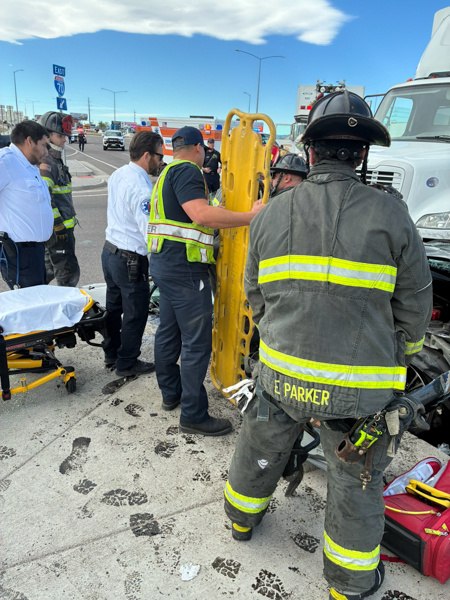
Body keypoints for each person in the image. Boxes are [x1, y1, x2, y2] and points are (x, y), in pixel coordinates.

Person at [223, 92, 433, 600]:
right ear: (361, 155)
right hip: (358, 397)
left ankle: (241, 521)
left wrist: (282, 339)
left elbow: (256, 294)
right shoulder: (392, 215)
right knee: (356, 483)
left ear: (311, 151)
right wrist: (401, 354)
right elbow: (415, 308)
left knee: (259, 447)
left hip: (280, 377)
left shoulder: (271, 214)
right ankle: (348, 584)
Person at [148, 126, 265, 436]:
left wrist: (217, 211)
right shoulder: (189, 170)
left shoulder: (167, 171)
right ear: (199, 148)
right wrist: (250, 216)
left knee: (168, 333)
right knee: (197, 344)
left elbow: (188, 216)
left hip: (165, 265)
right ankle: (193, 414)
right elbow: (201, 215)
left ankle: (171, 394)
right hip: (185, 271)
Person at [102, 130, 164, 376]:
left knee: (113, 308)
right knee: (135, 313)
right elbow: (150, 233)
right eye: (159, 156)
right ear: (147, 155)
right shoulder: (141, 188)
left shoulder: (118, 174)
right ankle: (127, 363)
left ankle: (111, 353)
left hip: (110, 252)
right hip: (129, 260)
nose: (161, 161)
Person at [0, 120, 53, 289]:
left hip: (34, 251)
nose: (46, 151)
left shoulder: (28, 166)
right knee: (30, 303)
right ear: (30, 141)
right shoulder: (5, 162)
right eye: (43, 145)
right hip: (19, 254)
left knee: (38, 299)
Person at [38, 112, 80, 287]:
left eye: (65, 135)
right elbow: (44, 196)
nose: (64, 140)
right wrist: (58, 224)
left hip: (60, 230)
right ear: (47, 136)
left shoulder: (55, 160)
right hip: (59, 232)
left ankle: (36, 296)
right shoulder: (47, 163)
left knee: (47, 269)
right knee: (68, 273)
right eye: (60, 135)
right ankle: (65, 302)